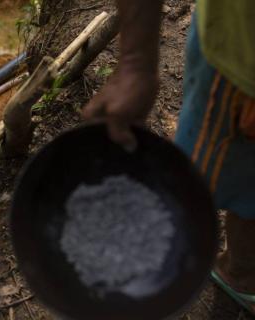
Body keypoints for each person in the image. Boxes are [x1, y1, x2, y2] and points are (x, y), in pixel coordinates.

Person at [83, 0, 255, 315]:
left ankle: (241, 271)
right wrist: (135, 61)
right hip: (237, 70)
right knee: (201, 185)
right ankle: (232, 273)